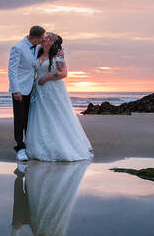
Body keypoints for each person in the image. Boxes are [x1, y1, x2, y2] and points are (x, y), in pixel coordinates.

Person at [25, 32, 93, 161]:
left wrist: (46, 78)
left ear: (52, 42)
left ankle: (59, 146)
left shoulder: (57, 55)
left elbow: (63, 73)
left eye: (48, 37)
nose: (45, 38)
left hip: (52, 89)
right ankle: (39, 145)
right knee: (40, 116)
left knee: (55, 115)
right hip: (39, 90)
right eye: (45, 36)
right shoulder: (37, 52)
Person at [8, 26, 45, 161]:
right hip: (20, 90)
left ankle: (29, 145)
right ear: (35, 38)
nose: (43, 40)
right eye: (42, 38)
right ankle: (20, 147)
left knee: (29, 119)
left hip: (32, 88)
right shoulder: (17, 48)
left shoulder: (37, 47)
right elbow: (12, 70)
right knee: (19, 119)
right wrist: (15, 90)